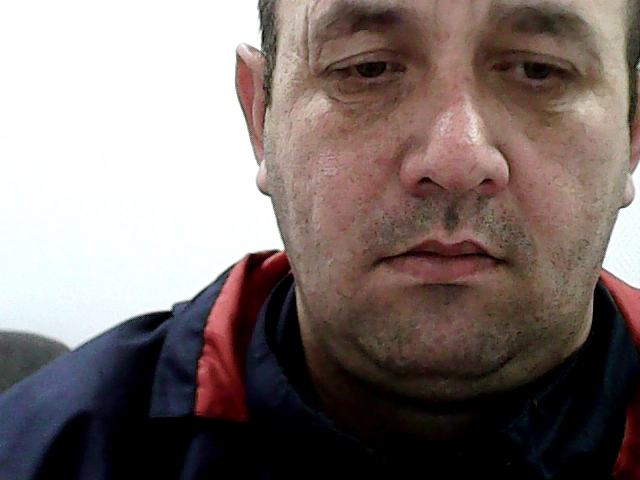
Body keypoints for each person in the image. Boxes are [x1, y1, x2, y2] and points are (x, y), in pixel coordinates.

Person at [1, 0, 639, 478]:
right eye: (367, 68)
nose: (454, 158)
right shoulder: (38, 453)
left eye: (539, 70)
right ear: (261, 118)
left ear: (633, 131)